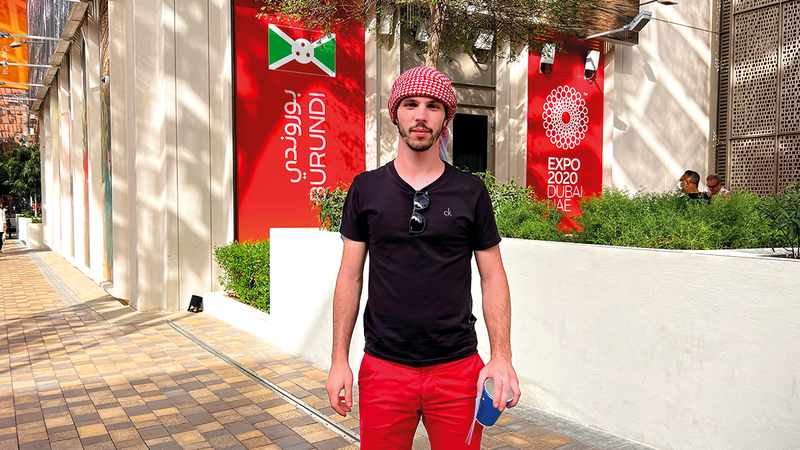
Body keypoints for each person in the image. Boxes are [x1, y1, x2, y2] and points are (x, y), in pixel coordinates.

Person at [325, 66, 521, 449]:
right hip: (384, 369)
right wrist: (338, 360)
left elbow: (493, 276)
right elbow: (350, 276)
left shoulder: (470, 191)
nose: (421, 115)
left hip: (458, 370)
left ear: (445, 118)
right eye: (410, 104)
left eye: (433, 106)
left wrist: (501, 356)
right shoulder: (366, 188)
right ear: (395, 113)